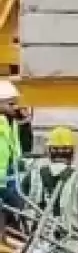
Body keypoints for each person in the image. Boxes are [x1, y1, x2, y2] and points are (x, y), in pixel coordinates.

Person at [22, 126, 78, 234]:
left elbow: (19, 213)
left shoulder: (31, 178)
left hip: (36, 246)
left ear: (49, 152)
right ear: (72, 153)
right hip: (71, 247)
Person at [0, 80, 26, 223]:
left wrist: (26, 125)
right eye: (11, 104)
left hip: (12, 181)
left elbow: (20, 150)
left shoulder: (12, 124)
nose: (16, 107)